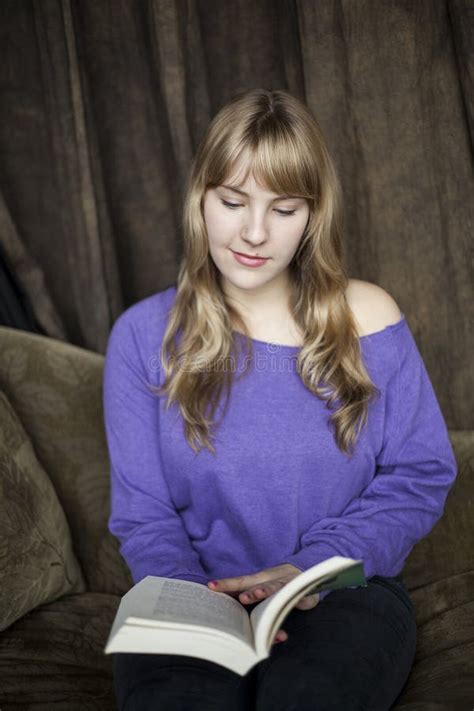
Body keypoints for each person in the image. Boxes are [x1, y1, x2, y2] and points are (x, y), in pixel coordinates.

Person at [103, 88, 458, 710]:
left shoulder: (368, 318)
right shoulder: (141, 335)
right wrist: (197, 600)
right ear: (201, 202)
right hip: (194, 596)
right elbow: (144, 513)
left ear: (312, 217)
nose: (255, 232)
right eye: (233, 201)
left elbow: (420, 473)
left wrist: (309, 567)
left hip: (348, 591)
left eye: (284, 208)